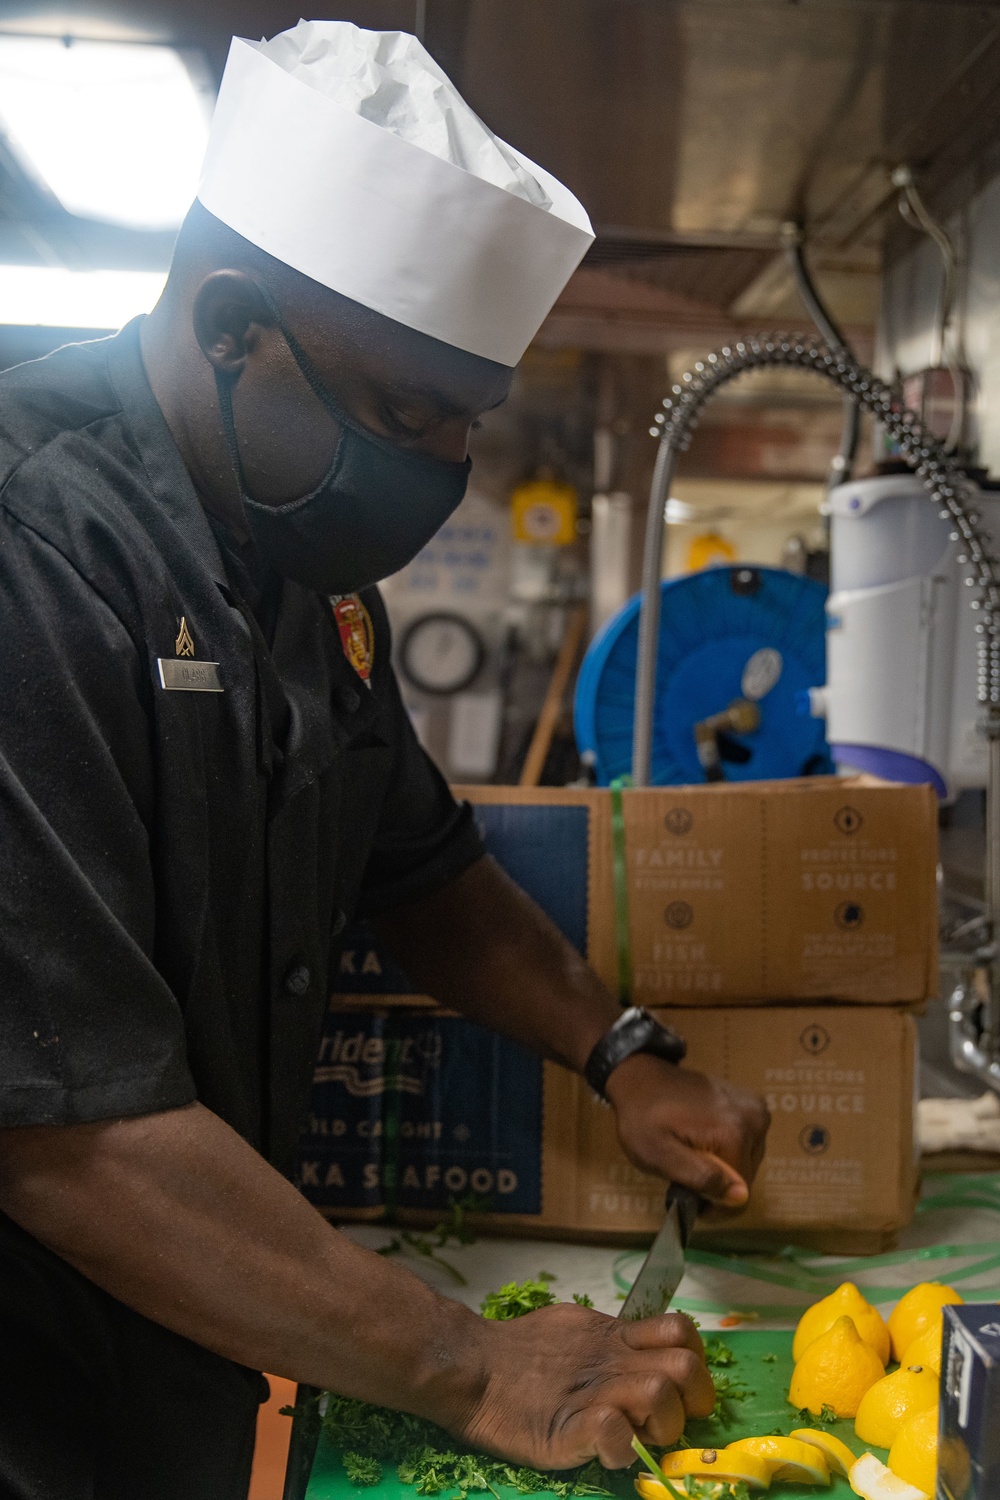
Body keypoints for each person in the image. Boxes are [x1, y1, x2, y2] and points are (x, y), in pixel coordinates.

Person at [0, 21, 770, 1499]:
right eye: (403, 412)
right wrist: (468, 1365)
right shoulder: (39, 552)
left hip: (203, 1326)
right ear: (232, 324)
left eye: (459, 426)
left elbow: (420, 865)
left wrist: (619, 1055)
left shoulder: (296, 562)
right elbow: (68, 1133)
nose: (432, 465)